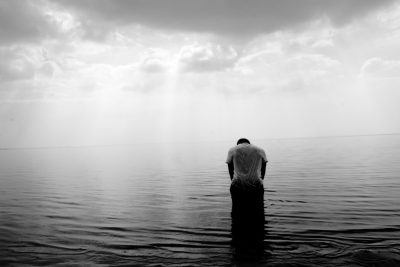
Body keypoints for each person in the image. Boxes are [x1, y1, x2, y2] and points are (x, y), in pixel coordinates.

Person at [226, 138, 267, 210]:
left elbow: (230, 168)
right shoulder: (260, 150)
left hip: (237, 185)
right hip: (256, 185)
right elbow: (264, 166)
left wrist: (232, 180)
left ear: (238, 144)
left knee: (237, 210)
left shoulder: (232, 150)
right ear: (248, 143)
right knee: (258, 210)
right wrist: (261, 179)